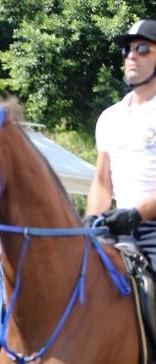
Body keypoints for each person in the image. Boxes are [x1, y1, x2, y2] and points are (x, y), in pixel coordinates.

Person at [85, 19, 156, 270]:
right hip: (116, 228)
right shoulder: (110, 117)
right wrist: (92, 218)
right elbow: (102, 181)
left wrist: (137, 214)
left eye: (143, 49)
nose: (132, 55)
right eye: (127, 50)